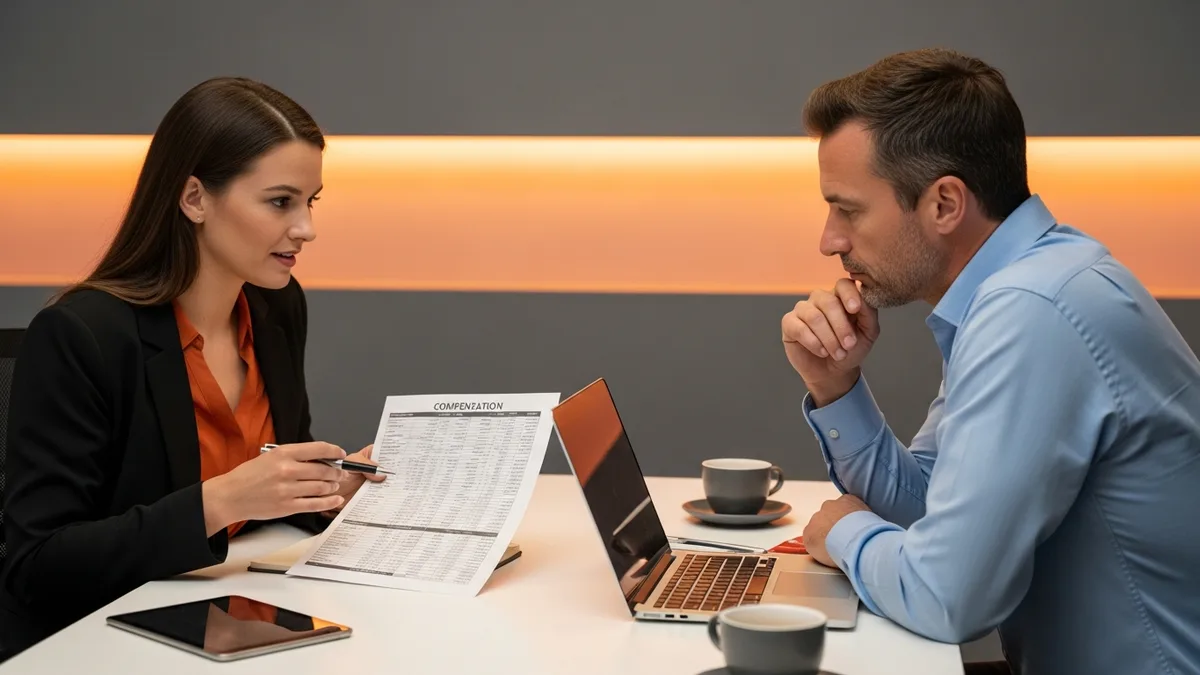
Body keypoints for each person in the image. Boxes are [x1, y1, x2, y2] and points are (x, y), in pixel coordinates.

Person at [781, 48, 1200, 674]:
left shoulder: (1032, 309)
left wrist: (842, 533)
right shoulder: (1024, 284)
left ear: (945, 203)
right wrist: (835, 386)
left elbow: (949, 596)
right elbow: (927, 508)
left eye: (848, 208)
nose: (829, 240)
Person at [0, 77, 384, 660]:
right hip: (102, 643)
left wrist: (327, 487)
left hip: (234, 625)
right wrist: (222, 500)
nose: (306, 227)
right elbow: (37, 564)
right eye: (281, 201)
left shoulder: (276, 305)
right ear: (195, 199)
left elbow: (272, 481)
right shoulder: (82, 335)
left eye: (312, 201)